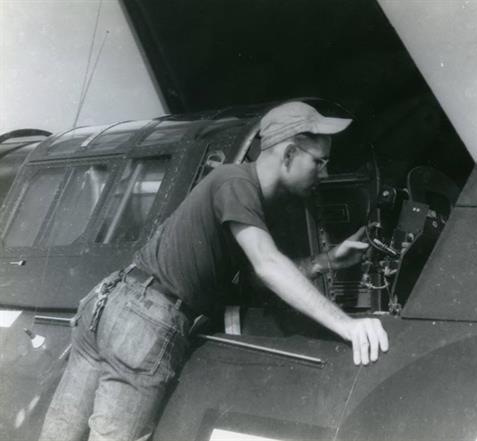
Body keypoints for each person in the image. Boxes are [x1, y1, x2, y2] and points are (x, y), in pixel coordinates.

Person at [38, 101, 389, 441]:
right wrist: (347, 324)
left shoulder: (243, 196)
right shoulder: (236, 183)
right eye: (319, 161)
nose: (324, 173)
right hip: (145, 321)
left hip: (110, 303)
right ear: (289, 155)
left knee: (59, 433)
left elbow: (255, 275)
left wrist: (325, 261)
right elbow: (267, 264)